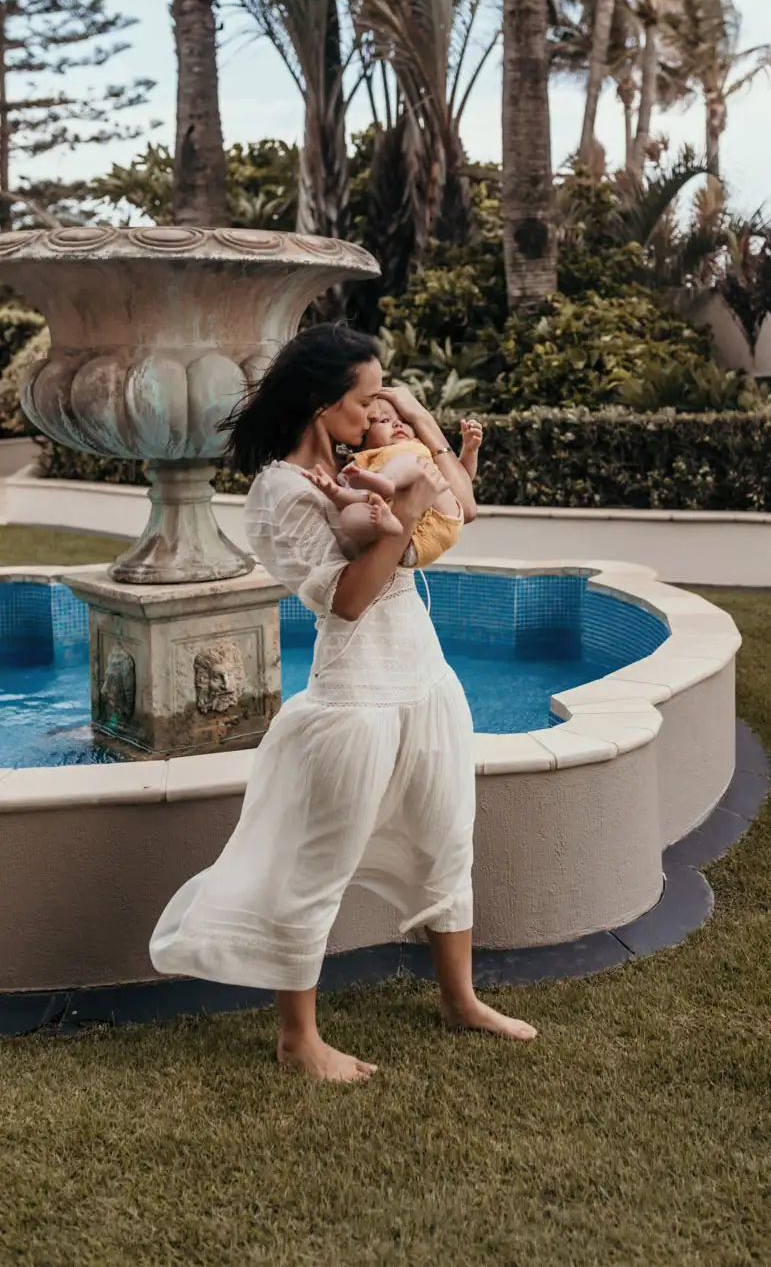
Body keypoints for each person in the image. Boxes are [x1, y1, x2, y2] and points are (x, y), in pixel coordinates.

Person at [148, 323, 536, 1083]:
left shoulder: (367, 462)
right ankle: (299, 1039)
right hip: (356, 699)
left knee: (448, 841)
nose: (375, 409)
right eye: (365, 399)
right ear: (324, 405)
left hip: (426, 679)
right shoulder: (281, 494)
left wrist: (420, 429)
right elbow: (349, 600)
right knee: (315, 868)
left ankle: (460, 1000)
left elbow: (461, 510)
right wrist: (406, 509)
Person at [327, 401, 483, 567]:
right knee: (349, 517)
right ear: (362, 440)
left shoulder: (417, 448)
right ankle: (383, 524)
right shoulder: (360, 465)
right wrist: (336, 494)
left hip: (441, 516)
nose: (398, 424)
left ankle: (388, 482)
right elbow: (358, 499)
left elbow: (461, 481)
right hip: (406, 545)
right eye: (385, 420)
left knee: (409, 461)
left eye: (404, 421)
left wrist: (469, 451)